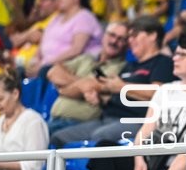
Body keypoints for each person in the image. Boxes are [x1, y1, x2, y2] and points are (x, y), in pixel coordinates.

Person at [87, 29, 186, 170]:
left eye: (182, 55)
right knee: (103, 151)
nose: (174, 58)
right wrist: (139, 158)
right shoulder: (165, 90)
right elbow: (146, 129)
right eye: (176, 53)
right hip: (153, 161)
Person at [50, 16, 175, 148]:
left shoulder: (163, 62)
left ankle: (95, 169)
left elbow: (159, 93)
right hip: (107, 118)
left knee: (101, 136)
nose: (130, 41)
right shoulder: (129, 66)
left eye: (135, 36)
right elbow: (109, 91)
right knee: (59, 137)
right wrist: (98, 98)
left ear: (152, 36)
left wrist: (122, 87)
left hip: (138, 121)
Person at [46, 21, 129, 134]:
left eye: (121, 39)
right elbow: (53, 72)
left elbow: (94, 86)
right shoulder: (86, 59)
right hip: (54, 120)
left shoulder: (121, 68)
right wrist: (83, 84)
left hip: (79, 124)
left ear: (126, 44)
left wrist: (64, 89)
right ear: (104, 36)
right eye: (112, 35)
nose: (114, 41)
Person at [26, 0, 103, 78]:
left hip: (71, 66)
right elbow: (44, 41)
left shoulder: (84, 17)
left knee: (44, 72)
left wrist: (45, 64)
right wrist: (35, 60)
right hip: (46, 64)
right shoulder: (56, 18)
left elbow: (76, 49)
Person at [10, 0, 59, 69]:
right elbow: (13, 41)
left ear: (56, 1)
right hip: (19, 64)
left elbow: (39, 37)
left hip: (36, 68)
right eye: (39, 0)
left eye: (44, 0)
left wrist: (28, 37)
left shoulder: (58, 20)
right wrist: (28, 35)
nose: (39, 4)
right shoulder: (40, 22)